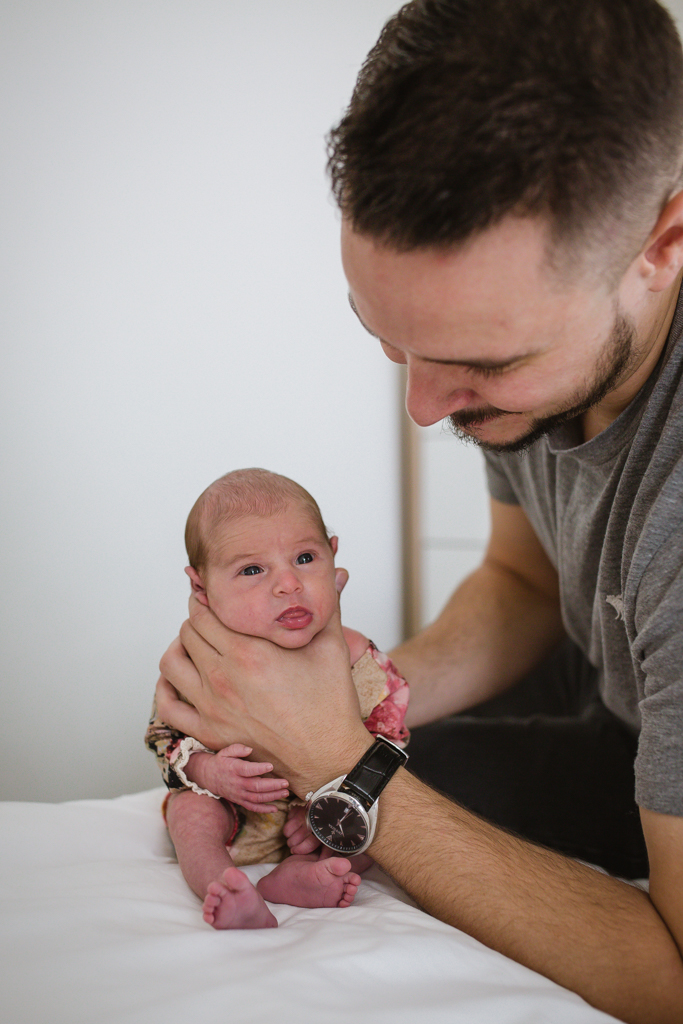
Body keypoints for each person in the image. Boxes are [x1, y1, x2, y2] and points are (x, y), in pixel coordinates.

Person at [154, 0, 683, 1019]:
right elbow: (524, 582)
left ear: (660, 243)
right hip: (610, 720)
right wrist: (346, 693)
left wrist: (337, 761)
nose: (423, 407)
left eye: (485, 363)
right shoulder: (540, 352)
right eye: (389, 340)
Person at [146, 467, 409, 929]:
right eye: (252, 569)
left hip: (323, 810)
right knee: (190, 813)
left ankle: (293, 878)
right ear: (201, 588)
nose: (288, 583)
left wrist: (331, 800)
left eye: (305, 558)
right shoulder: (203, 663)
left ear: (333, 556)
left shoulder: (355, 656)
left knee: (383, 822)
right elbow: (163, 735)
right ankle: (226, 885)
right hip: (232, 812)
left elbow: (391, 736)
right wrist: (210, 771)